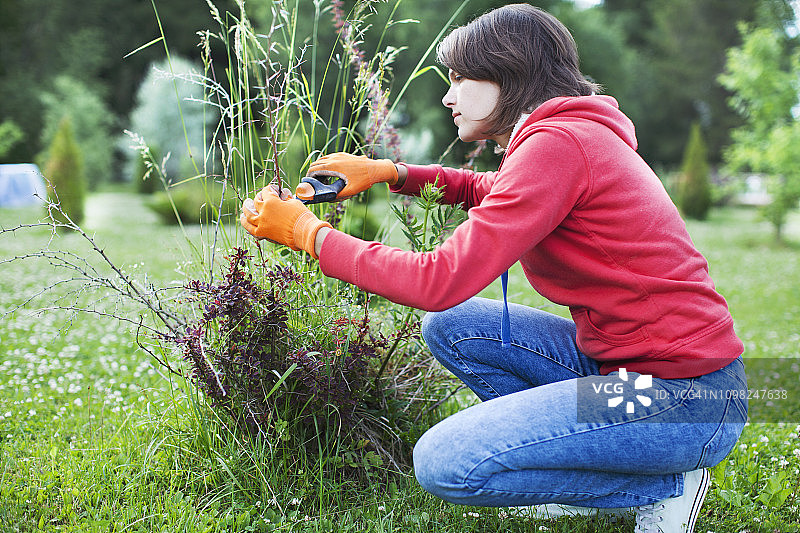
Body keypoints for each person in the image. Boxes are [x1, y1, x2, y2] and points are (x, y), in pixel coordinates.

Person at [240, 5, 748, 532]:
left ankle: (665, 483)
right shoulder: (566, 136)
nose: (449, 96)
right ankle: (578, 457)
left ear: (509, 75)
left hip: (680, 396)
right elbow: (493, 190)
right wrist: (391, 171)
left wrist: (310, 235)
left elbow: (438, 280)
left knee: (446, 462)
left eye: (461, 78)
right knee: (455, 327)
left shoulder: (559, 144)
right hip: (628, 375)